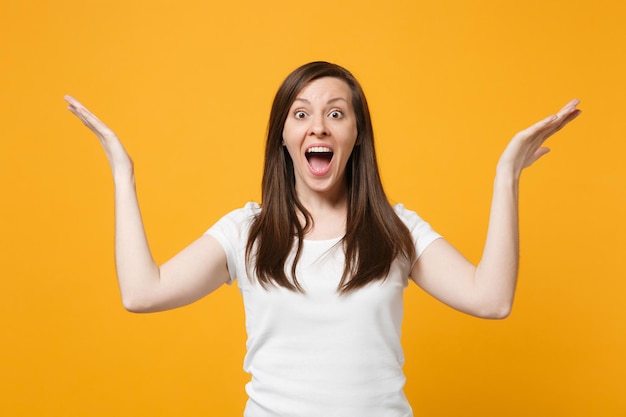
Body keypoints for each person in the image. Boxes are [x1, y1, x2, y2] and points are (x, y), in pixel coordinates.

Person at [65, 61, 581, 417]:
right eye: (301, 113)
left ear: (357, 136)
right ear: (283, 136)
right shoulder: (247, 233)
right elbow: (142, 293)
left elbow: (491, 300)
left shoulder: (394, 230)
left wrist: (507, 176)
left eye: (337, 113)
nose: (319, 127)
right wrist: (121, 174)